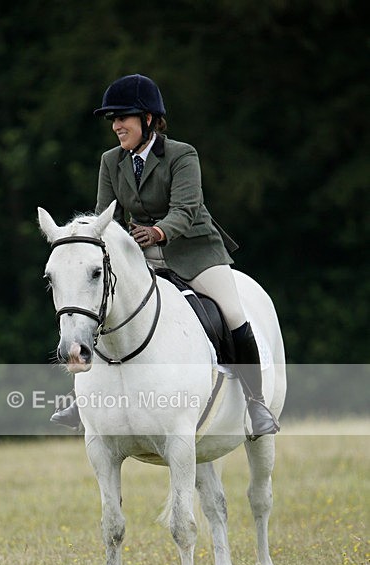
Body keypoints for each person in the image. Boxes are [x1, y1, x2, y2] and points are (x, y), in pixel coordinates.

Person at [51, 73, 279, 438]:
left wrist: (158, 232)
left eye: (123, 117)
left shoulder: (181, 155)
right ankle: (83, 400)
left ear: (148, 119)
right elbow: (104, 216)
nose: (116, 126)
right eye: (113, 119)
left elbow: (187, 209)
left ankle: (256, 403)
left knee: (233, 314)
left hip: (195, 251)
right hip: (142, 256)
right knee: (101, 307)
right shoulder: (111, 161)